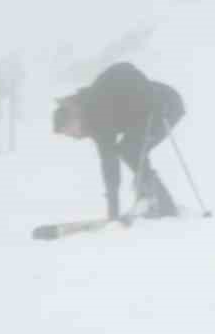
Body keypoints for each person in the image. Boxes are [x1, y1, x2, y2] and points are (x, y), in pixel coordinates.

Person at [52, 62, 185, 222]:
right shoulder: (91, 115)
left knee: (131, 150)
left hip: (164, 104)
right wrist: (113, 210)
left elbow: (125, 68)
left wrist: (113, 212)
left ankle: (162, 205)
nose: (74, 137)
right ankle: (151, 199)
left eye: (70, 131)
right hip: (149, 111)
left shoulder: (95, 109)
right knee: (131, 151)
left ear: (73, 117)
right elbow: (108, 162)